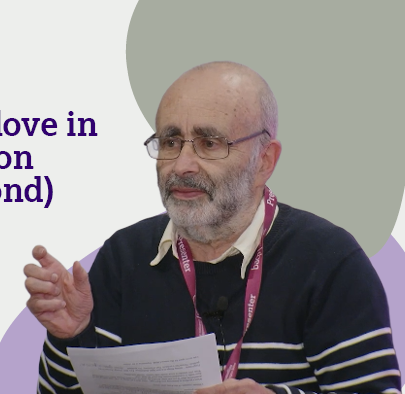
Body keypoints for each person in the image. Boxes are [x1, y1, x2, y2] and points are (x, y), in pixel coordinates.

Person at [24, 62, 401, 394]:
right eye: (171, 141)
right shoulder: (124, 257)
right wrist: (70, 336)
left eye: (208, 143)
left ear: (264, 161)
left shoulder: (329, 261)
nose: (182, 164)